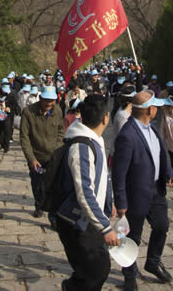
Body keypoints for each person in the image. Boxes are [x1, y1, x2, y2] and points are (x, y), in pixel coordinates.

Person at [112, 90, 173, 291]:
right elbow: (119, 173)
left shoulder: (152, 128)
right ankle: (129, 275)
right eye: (155, 105)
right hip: (136, 195)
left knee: (162, 226)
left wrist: (168, 171)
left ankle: (153, 262)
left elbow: (161, 153)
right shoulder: (127, 135)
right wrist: (120, 202)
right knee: (133, 238)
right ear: (149, 110)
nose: (157, 108)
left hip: (156, 190)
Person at [56, 97, 120, 291]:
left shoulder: (95, 139)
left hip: (91, 218)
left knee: (96, 269)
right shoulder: (81, 146)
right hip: (77, 222)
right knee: (96, 271)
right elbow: (84, 192)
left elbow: (102, 176)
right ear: (106, 118)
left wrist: (108, 201)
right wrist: (105, 228)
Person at [20, 85, 65, 218]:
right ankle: (39, 205)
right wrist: (31, 159)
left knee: (53, 186)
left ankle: (53, 212)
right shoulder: (28, 113)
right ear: (40, 98)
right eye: (46, 100)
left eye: (52, 101)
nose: (49, 104)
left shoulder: (57, 111)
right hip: (37, 157)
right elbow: (24, 137)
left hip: (53, 156)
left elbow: (61, 131)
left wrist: (58, 149)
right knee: (37, 184)